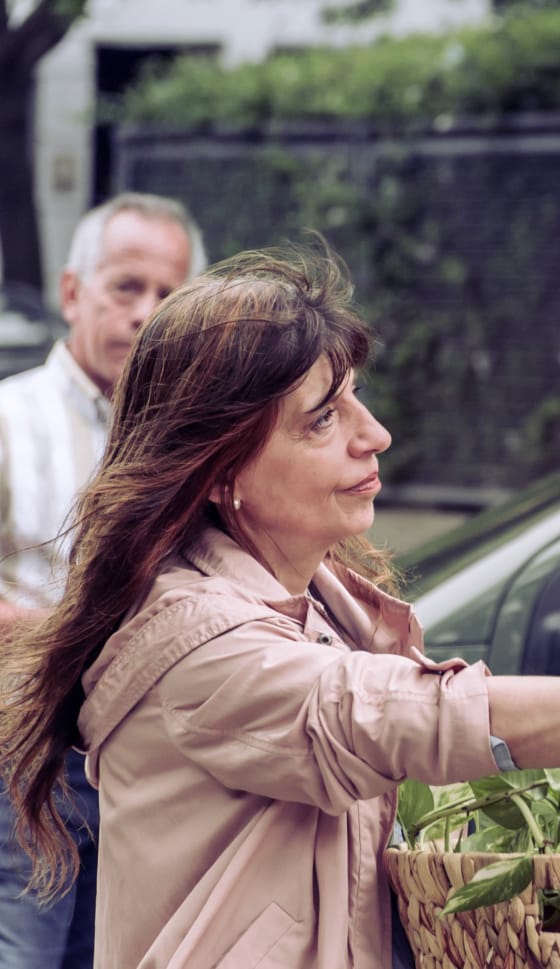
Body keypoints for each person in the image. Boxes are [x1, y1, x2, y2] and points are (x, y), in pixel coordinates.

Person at [0, 241, 560, 969]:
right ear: (220, 469)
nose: (374, 434)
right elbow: (435, 718)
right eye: (323, 418)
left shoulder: (320, 602)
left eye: (354, 397)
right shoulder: (204, 648)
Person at [0, 192, 204, 969]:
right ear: (72, 292)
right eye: (126, 286)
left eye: (168, 293)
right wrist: (69, 635)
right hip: (26, 759)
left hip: (145, 763)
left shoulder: (183, 440)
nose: (145, 312)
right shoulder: (10, 420)